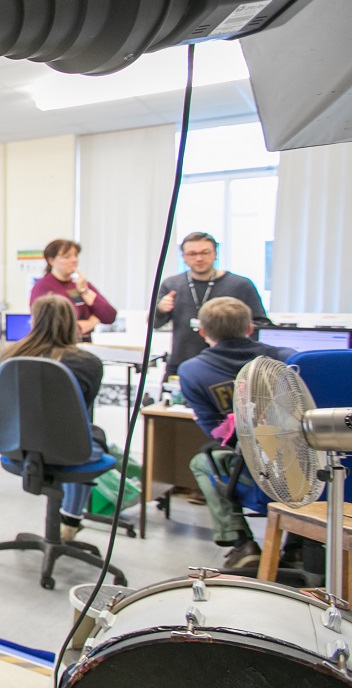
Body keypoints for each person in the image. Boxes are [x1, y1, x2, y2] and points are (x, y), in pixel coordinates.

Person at [180, 297, 295, 571]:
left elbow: (219, 435)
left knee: (203, 459)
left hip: (256, 472)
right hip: (304, 469)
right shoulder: (288, 358)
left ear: (204, 332)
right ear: (250, 328)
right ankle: (299, 544)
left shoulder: (192, 371)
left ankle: (241, 542)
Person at [0, 295, 106, 541]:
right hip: (69, 450)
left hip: (17, 447)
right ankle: (71, 518)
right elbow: (81, 415)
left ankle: (68, 520)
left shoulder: (9, 357)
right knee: (94, 435)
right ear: (73, 323)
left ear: (33, 320)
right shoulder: (88, 363)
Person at [153, 232, 269, 378]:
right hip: (182, 363)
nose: (199, 258)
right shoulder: (172, 284)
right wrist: (161, 309)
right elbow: (155, 324)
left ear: (215, 254)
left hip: (229, 366)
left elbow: (261, 325)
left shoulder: (240, 285)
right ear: (183, 257)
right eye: (192, 254)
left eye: (205, 252)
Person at [28, 238, 117, 340]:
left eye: (75, 255)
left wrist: (84, 291)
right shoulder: (43, 287)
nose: (74, 260)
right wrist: (92, 321)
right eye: (67, 257)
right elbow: (54, 329)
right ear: (51, 260)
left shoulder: (81, 284)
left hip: (85, 344)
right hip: (58, 346)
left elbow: (109, 316)